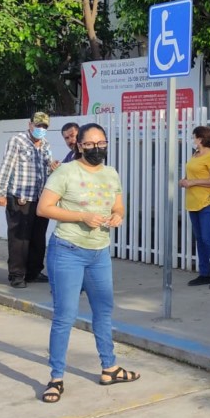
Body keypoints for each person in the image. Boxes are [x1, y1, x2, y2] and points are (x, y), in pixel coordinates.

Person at [36, 122, 140, 403]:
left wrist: (118, 215)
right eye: (91, 144)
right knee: (65, 317)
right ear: (79, 146)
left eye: (102, 143)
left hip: (99, 253)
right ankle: (56, 378)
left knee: (104, 312)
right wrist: (81, 216)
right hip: (67, 251)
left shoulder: (111, 173)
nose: (97, 148)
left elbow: (118, 206)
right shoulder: (65, 172)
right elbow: (43, 208)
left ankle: (110, 368)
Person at [0, 111, 59, 288]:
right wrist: (0, 192)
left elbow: (47, 168)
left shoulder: (45, 145)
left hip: (40, 199)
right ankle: (16, 275)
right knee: (20, 239)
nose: (40, 129)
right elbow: (6, 167)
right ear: (29, 124)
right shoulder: (18, 141)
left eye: (44, 126)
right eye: (37, 125)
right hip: (20, 197)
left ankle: (33, 271)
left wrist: (53, 167)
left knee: (38, 237)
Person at [180, 125, 210, 289]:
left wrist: (192, 182)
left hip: (208, 202)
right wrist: (185, 180)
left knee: (208, 239)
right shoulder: (195, 155)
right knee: (200, 240)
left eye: (194, 137)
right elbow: (193, 174)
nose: (193, 140)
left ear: (200, 138)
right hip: (193, 202)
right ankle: (204, 274)